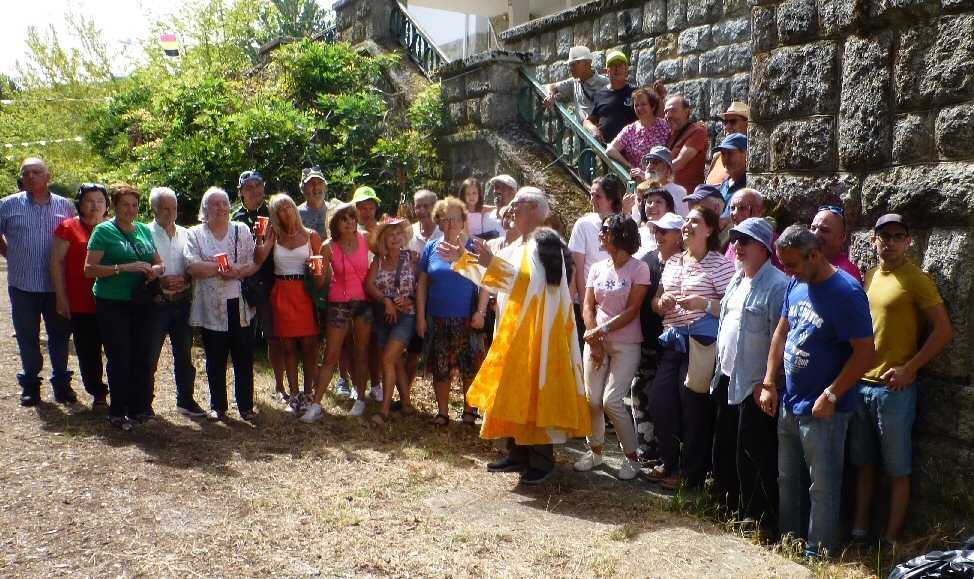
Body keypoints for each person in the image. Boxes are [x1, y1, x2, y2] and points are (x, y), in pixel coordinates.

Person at [444, 189, 591, 486]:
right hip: (513, 332)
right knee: (513, 390)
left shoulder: (548, 242)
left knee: (536, 391)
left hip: (539, 335)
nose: (510, 209)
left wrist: (491, 264)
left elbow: (538, 285)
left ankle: (541, 459)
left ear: (534, 207)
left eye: (516, 204)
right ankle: (517, 453)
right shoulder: (516, 245)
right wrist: (465, 261)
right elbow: (497, 281)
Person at [758, 224, 875, 558]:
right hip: (790, 403)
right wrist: (769, 382)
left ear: (814, 255)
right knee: (787, 479)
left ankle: (817, 554)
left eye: (792, 264)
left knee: (822, 486)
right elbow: (782, 333)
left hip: (825, 411)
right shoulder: (797, 282)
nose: (787, 272)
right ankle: (789, 543)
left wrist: (832, 394)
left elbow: (865, 352)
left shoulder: (846, 292)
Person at [850, 214, 954, 546]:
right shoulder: (869, 276)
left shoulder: (916, 279)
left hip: (893, 391)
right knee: (864, 465)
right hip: (862, 384)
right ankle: (859, 533)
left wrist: (910, 368)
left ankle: (890, 543)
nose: (891, 242)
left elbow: (944, 330)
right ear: (874, 241)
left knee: (897, 469)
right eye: (885, 236)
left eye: (898, 236)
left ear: (909, 242)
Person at [648, 206, 735, 489]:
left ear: (709, 229)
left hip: (702, 344)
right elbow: (656, 301)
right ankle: (669, 462)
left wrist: (702, 304)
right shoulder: (674, 260)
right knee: (660, 401)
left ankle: (691, 473)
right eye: (686, 221)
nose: (687, 225)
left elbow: (733, 307)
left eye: (695, 221)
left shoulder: (720, 264)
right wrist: (661, 304)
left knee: (693, 406)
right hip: (674, 340)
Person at [711, 217, 788, 529]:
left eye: (744, 241)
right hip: (727, 377)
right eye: (734, 240)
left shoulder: (778, 286)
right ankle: (728, 508)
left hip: (755, 384)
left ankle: (757, 520)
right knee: (726, 449)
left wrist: (769, 383)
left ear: (763, 247)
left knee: (754, 455)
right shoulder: (736, 278)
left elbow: (780, 340)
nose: (736, 246)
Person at [575, 213, 650, 480]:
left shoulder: (639, 268)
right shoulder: (597, 268)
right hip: (597, 342)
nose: (601, 234)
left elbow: (632, 310)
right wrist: (595, 339)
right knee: (592, 399)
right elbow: (588, 306)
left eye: (606, 230)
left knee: (611, 401)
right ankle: (595, 451)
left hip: (626, 344)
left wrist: (601, 331)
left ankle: (632, 458)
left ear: (621, 234)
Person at [85, 184, 165, 429]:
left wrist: (155, 270)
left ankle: (137, 407)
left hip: (141, 301)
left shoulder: (143, 230)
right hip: (112, 302)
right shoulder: (103, 231)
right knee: (120, 357)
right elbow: (89, 270)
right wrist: (122, 268)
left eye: (134, 205)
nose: (130, 210)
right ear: (115, 206)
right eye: (125, 205)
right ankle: (117, 410)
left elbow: (159, 262)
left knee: (142, 355)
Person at [0, 157, 75, 406]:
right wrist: (10, 253)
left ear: (48, 176)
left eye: (36, 172)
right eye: (26, 173)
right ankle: (30, 385)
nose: (30, 177)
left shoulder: (65, 206)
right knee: (27, 336)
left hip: (57, 286)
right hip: (23, 284)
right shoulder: (8, 205)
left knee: (60, 336)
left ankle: (62, 383)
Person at [185, 187, 261, 422]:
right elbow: (192, 266)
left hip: (241, 305)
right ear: (205, 208)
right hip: (212, 307)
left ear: (230, 207)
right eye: (214, 204)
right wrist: (222, 269)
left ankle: (246, 407)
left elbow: (253, 263)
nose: (220, 208)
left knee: (243, 358)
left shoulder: (241, 230)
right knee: (215, 359)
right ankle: (218, 406)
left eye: (224, 203)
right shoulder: (195, 234)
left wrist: (233, 271)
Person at [300, 201, 373, 422]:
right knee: (331, 355)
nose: (350, 221)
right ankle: (316, 404)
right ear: (334, 224)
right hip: (338, 303)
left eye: (352, 216)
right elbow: (320, 282)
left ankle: (361, 399)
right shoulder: (328, 246)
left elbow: (385, 253)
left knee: (361, 351)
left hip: (363, 301)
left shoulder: (365, 237)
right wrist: (315, 271)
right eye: (344, 218)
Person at [415, 196, 480, 428]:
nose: (451, 223)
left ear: (463, 220)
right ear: (439, 222)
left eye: (456, 218)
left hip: (466, 317)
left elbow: (484, 281)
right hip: (437, 317)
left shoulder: (474, 246)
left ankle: (469, 411)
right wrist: (420, 317)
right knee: (440, 365)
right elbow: (422, 284)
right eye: (446, 219)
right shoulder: (432, 247)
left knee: (468, 366)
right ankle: (442, 413)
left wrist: (480, 313)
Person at [256, 193, 323, 415]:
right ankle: (294, 395)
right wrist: (260, 238)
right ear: (276, 216)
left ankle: (308, 393)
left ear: (295, 208)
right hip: (283, 292)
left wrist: (314, 268)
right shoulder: (274, 235)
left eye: (289, 207)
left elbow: (323, 272)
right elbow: (259, 259)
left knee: (309, 346)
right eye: (280, 210)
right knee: (288, 346)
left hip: (305, 293)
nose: (286, 213)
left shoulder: (311, 236)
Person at [145, 186, 205, 417]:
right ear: (154, 209)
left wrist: (187, 278)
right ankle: (144, 403)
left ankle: (186, 400)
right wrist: (159, 282)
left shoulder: (187, 234)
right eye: (165, 209)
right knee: (150, 356)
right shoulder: (144, 233)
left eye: (174, 208)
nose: (171, 213)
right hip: (157, 303)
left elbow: (193, 264)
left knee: (184, 355)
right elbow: (141, 267)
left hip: (182, 303)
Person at [631, 212, 685, 462]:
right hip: (646, 339)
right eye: (656, 230)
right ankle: (645, 446)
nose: (658, 235)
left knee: (666, 399)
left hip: (673, 345)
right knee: (639, 391)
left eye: (664, 231)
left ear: (679, 236)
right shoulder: (647, 261)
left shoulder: (686, 263)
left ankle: (669, 451)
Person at [51, 183, 109, 407]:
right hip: (80, 301)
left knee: (117, 349)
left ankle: (121, 391)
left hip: (112, 300)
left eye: (100, 201)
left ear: (107, 205)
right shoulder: (68, 227)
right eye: (89, 201)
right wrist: (61, 297)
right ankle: (98, 392)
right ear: (80, 204)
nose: (95, 206)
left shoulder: (115, 227)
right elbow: (56, 263)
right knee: (88, 351)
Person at [232, 170, 285, 399]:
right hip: (244, 285)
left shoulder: (274, 213)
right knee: (244, 339)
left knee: (274, 337)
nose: (255, 191)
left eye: (258, 186)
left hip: (272, 283)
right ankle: (245, 392)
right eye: (249, 187)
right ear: (241, 192)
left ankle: (280, 386)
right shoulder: (234, 218)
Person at [365, 217, 419, 424]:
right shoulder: (378, 260)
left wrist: (408, 299)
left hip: (406, 315)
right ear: (383, 240)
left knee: (387, 359)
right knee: (394, 362)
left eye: (398, 234)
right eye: (390, 235)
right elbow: (369, 285)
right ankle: (406, 406)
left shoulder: (412, 258)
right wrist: (385, 300)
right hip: (384, 315)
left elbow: (421, 286)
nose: (396, 238)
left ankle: (384, 410)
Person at [568, 174, 625, 344]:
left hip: (615, 301)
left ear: (611, 198)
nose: (592, 200)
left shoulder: (625, 223)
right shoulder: (583, 224)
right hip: (588, 300)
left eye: (598, 196)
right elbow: (577, 266)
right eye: (591, 195)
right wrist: (584, 303)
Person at [607, 87, 671, 173]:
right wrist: (629, 166)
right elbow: (611, 150)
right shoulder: (630, 130)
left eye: (643, 104)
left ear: (653, 106)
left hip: (663, 177)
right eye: (636, 105)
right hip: (639, 178)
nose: (639, 108)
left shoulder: (665, 126)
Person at [543, 45, 609, 123]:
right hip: (582, 129)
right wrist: (550, 95)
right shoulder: (574, 83)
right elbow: (551, 86)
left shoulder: (606, 83)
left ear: (587, 63)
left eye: (574, 64)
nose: (571, 69)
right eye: (570, 65)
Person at [583, 50, 637, 144]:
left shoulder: (636, 92)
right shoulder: (598, 95)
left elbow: (653, 114)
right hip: (606, 148)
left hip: (633, 147)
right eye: (613, 66)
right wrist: (593, 129)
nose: (617, 69)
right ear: (606, 71)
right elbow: (587, 121)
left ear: (626, 70)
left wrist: (660, 96)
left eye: (621, 65)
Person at [664, 95, 709, 192]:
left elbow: (680, 162)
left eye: (673, 111)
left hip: (688, 195)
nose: (668, 115)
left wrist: (654, 173)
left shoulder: (697, 131)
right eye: (666, 112)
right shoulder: (670, 134)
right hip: (670, 193)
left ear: (686, 112)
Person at [810, 205, 862, 283]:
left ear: (841, 237)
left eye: (824, 230)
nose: (815, 235)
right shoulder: (802, 267)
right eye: (813, 228)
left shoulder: (847, 276)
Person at [632, 146, 687, 216]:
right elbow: (636, 218)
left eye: (655, 163)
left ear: (667, 169)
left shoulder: (678, 191)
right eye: (647, 162)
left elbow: (682, 219)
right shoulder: (640, 189)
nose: (649, 166)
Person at [707, 102, 750, 186]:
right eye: (725, 122)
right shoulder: (718, 155)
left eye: (733, 122)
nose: (727, 127)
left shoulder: (752, 156)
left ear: (747, 124)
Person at [711, 134, 747, 220]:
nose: (726, 159)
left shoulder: (749, 185)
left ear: (745, 155)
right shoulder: (725, 185)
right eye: (723, 154)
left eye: (730, 153)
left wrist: (730, 221)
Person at [633, 186, 676, 254]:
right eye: (649, 202)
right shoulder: (636, 234)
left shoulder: (676, 234)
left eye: (658, 202)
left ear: (668, 207)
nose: (652, 206)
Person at [297, 167, 329, 238]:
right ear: (302, 189)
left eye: (320, 182)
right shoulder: (296, 214)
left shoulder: (335, 210)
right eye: (311, 183)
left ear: (325, 187)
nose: (316, 187)